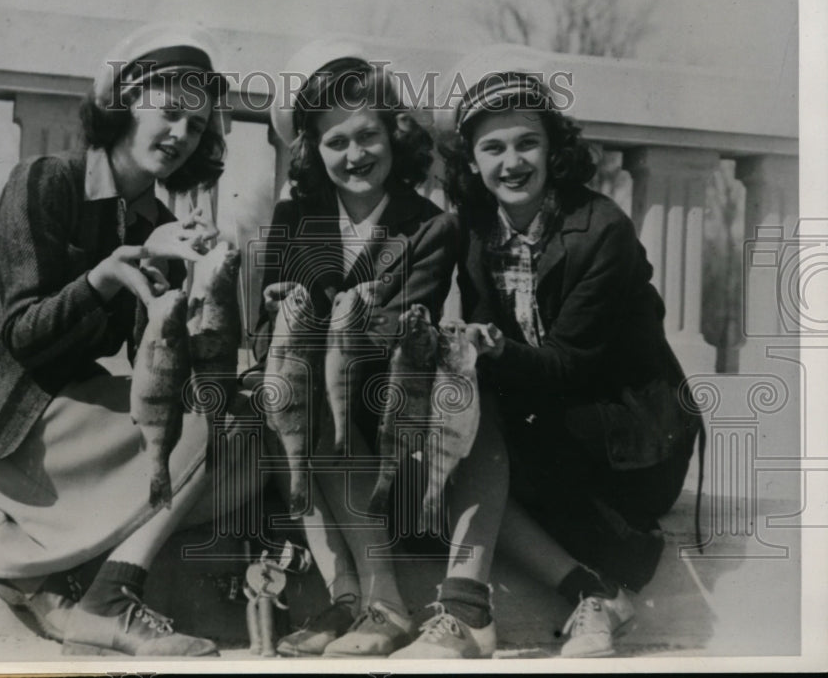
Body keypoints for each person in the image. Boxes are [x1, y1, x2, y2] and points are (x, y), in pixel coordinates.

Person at [0, 25, 255, 657]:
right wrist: (105, 274)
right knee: (205, 432)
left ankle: (87, 584)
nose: (183, 135)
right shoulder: (44, 180)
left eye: (198, 126)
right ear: (125, 102)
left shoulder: (157, 224)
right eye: (172, 113)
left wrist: (205, 297)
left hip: (61, 411)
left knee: (232, 425)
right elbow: (22, 337)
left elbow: (152, 368)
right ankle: (110, 600)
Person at [408, 48, 703, 658]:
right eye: (492, 149)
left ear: (554, 148)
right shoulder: (472, 227)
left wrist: (490, 351)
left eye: (527, 144)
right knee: (438, 452)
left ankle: (473, 609)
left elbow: (570, 365)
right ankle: (587, 591)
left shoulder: (602, 229)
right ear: (470, 159)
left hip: (631, 437)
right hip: (550, 420)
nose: (511, 163)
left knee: (474, 443)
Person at [250, 40, 458, 657]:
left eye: (367, 136)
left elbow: (396, 333)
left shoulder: (428, 226)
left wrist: (324, 326)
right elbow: (266, 336)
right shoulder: (294, 217)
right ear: (313, 149)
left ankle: (385, 600)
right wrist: (277, 310)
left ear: (395, 136)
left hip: (382, 407)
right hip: (306, 403)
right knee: (279, 393)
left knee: (316, 397)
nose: (354, 154)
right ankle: (345, 595)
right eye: (335, 142)